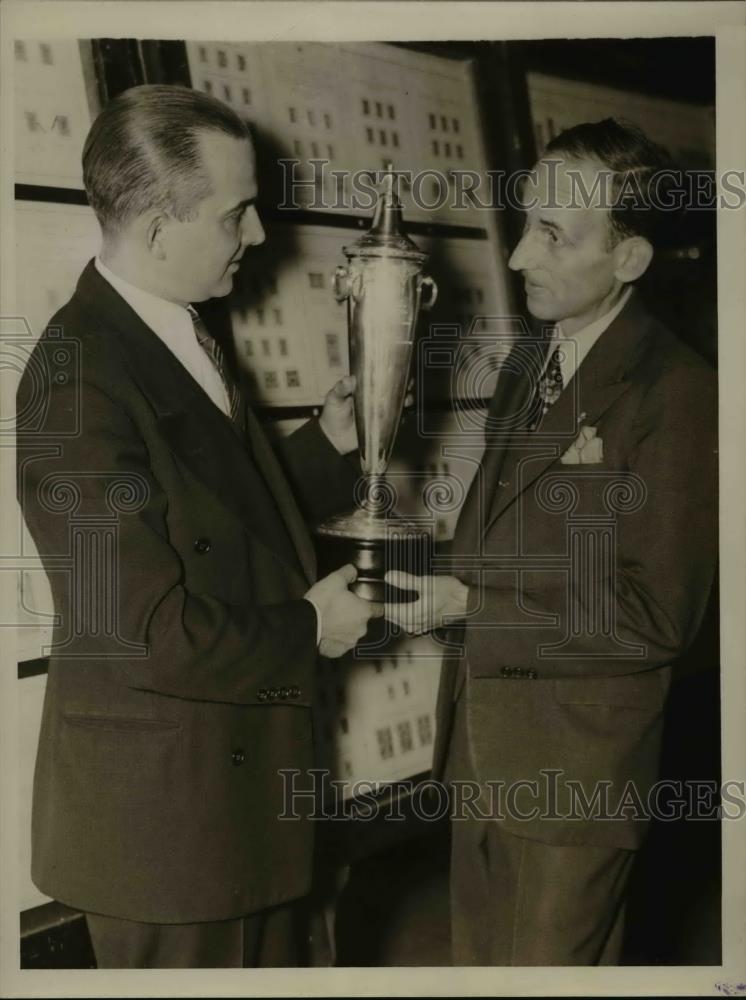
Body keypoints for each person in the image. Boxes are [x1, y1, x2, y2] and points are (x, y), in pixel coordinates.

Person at [16, 84, 381, 969]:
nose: (257, 234)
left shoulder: (171, 331)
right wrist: (310, 628)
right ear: (157, 231)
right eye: (235, 214)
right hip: (168, 839)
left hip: (233, 805)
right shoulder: (77, 379)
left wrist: (328, 445)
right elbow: (141, 633)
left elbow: (208, 514)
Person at [385, 119, 718, 965]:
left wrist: (471, 605)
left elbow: (654, 616)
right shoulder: (530, 363)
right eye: (525, 223)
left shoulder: (682, 393)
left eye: (553, 234)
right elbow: (501, 544)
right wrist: (414, 569)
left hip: (576, 777)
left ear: (629, 259)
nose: (519, 255)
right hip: (480, 755)